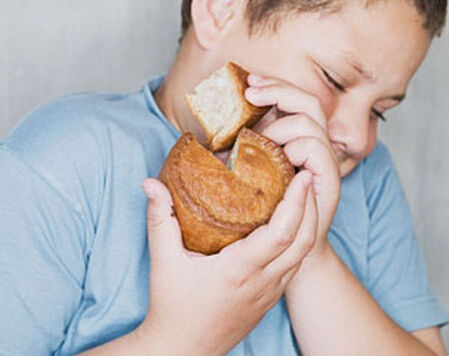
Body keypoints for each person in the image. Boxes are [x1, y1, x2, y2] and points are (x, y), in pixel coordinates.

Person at [0, 0, 448, 355]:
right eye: (333, 79)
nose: (357, 136)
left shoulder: (367, 182)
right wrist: (179, 340)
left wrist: (309, 255)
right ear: (219, 10)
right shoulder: (64, 159)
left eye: (379, 113)